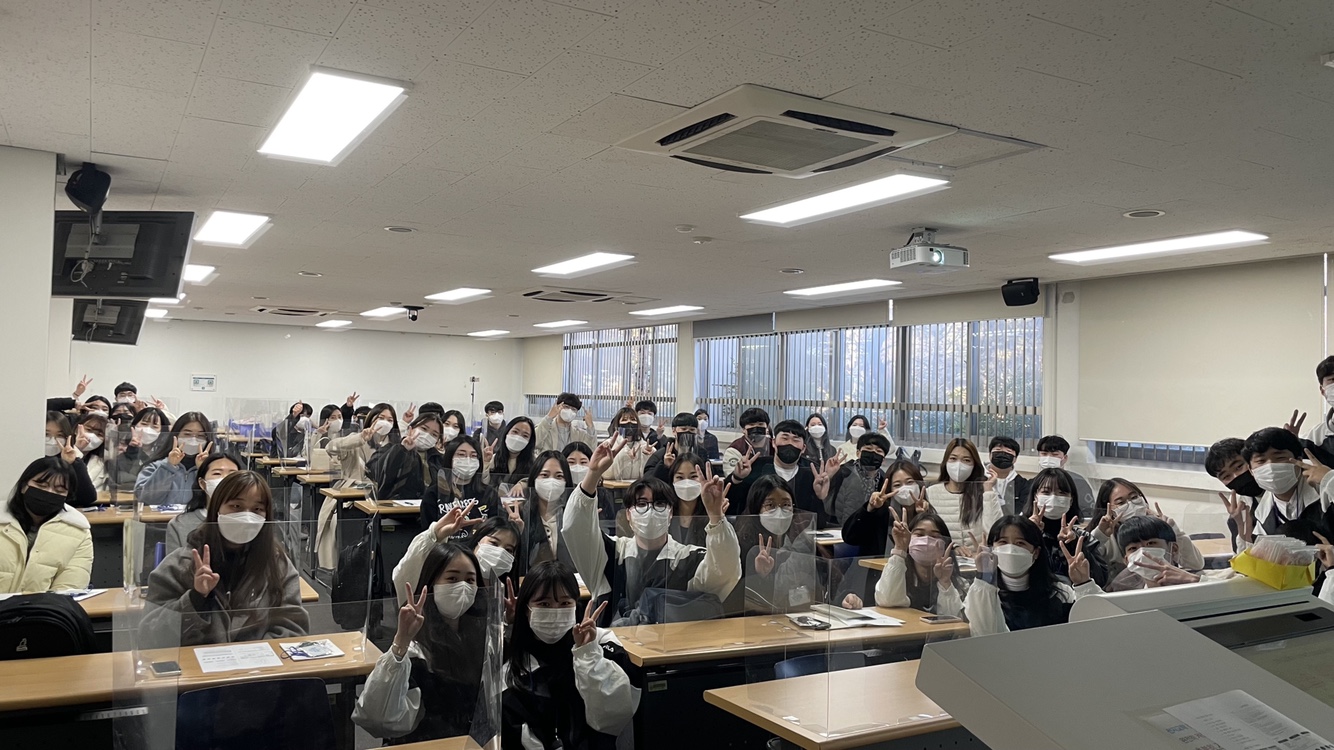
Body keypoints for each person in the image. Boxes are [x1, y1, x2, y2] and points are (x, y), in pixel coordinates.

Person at [562, 439, 740, 626]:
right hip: (611, 642)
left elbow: (724, 571)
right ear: (628, 515)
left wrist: (716, 516)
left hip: (668, 642)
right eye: (641, 504)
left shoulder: (688, 558)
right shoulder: (610, 553)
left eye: (659, 504)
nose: (650, 510)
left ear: (670, 514)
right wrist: (593, 474)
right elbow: (575, 527)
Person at [141, 471, 309, 646]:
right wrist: (195, 598)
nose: (247, 516)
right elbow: (149, 635)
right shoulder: (181, 564)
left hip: (257, 661)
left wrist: (255, 656)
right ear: (216, 509)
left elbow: (293, 627)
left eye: (257, 509)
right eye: (236, 506)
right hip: (197, 662)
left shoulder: (277, 564)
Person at [355, 542, 493, 744]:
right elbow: (378, 719)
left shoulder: (482, 636)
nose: (463, 587)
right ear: (431, 583)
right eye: (452, 579)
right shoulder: (417, 648)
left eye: (470, 580)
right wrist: (401, 642)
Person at [501, 561, 640, 749]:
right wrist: (510, 627)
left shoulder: (601, 641)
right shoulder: (516, 662)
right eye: (544, 604)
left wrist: (588, 653)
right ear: (526, 609)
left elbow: (616, 715)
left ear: (576, 605)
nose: (555, 611)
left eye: (565, 603)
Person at [963, 515, 1101, 636]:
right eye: (1003, 542)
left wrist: (1084, 584)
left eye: (1020, 543)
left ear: (1035, 552)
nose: (1011, 549)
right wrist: (985, 578)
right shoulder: (984, 594)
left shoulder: (1059, 593)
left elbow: (1094, 628)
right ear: (991, 549)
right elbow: (983, 636)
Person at [735, 475, 836, 612]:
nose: (779, 512)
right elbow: (744, 600)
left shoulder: (800, 540)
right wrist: (760, 575)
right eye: (770, 505)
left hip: (801, 613)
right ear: (757, 507)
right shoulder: (744, 544)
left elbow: (820, 588)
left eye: (786, 505)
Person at [0, 457, 92, 593]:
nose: (49, 492)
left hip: (43, 606)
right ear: (24, 486)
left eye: (59, 491)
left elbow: (69, 589)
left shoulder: (79, 532)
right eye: (41, 486)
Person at [726, 420, 841, 529]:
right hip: (757, 533)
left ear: (803, 448)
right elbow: (731, 507)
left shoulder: (813, 474)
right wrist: (737, 478)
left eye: (796, 440)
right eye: (785, 438)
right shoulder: (754, 468)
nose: (790, 443)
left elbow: (818, 523)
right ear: (774, 443)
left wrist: (820, 497)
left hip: (799, 538)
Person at [858, 511, 967, 616]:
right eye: (919, 534)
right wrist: (900, 549)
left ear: (945, 544)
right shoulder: (899, 575)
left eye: (934, 536)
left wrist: (945, 582)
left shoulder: (959, 584)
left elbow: (954, 620)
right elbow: (887, 601)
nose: (926, 540)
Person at [1089, 477, 1205, 569]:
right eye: (1121, 503)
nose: (1131, 504)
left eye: (1134, 497)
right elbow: (1085, 563)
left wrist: (1173, 530)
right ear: (1110, 509)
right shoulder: (1106, 537)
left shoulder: (1158, 525)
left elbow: (1196, 564)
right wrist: (1100, 535)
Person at [1243, 427, 1334, 542]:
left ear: (1299, 460)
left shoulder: (1325, 486)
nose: (1270, 466)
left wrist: (1329, 480)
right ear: (1251, 470)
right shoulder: (1264, 514)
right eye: (1261, 461)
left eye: (1280, 458)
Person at [1024, 468, 1111, 587]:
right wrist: (1030, 534)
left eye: (1062, 493)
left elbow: (1101, 579)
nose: (1053, 497)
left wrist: (1074, 544)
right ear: (1035, 496)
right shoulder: (1020, 532)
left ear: (1071, 500)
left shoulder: (1082, 536)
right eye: (1046, 492)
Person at [1106, 516, 1231, 591]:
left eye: (1151, 543)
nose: (1143, 552)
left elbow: (1229, 593)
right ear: (1126, 560)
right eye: (1133, 548)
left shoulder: (1195, 581)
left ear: (1174, 549)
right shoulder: (1123, 591)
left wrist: (1194, 580)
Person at [839, 458, 930, 556]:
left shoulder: (928, 513)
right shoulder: (880, 514)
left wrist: (922, 517)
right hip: (881, 564)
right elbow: (850, 537)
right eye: (897, 485)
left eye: (909, 482)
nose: (904, 488)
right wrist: (870, 508)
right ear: (890, 489)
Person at [927, 438, 1003, 549]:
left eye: (966, 460)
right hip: (945, 556)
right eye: (953, 459)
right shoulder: (931, 493)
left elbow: (995, 531)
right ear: (946, 462)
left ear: (974, 465)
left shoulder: (984, 492)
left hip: (979, 556)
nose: (959, 465)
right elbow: (929, 536)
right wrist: (953, 548)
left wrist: (988, 490)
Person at [421, 435, 501, 539]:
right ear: (450, 458)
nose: (468, 460)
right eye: (461, 455)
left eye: (473, 456)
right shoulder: (433, 493)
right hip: (444, 547)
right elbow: (428, 534)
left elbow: (495, 529)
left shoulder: (489, 493)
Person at [165, 451, 242, 551]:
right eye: (217, 473)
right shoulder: (180, 524)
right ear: (202, 483)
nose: (225, 479)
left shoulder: (248, 521)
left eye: (232, 475)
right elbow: (176, 561)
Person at [135, 412, 215, 506]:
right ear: (176, 435)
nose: (193, 440)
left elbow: (217, 501)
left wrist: (203, 470)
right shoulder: (156, 466)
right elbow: (146, 499)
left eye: (200, 436)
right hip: (163, 516)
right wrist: (169, 467)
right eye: (187, 434)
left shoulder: (216, 469)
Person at [516, 450, 575, 574]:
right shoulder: (521, 514)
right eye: (544, 475)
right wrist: (517, 532)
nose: (551, 481)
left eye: (559, 476)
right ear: (534, 478)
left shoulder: (571, 515)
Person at [1205, 437, 1263, 551]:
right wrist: (1240, 525)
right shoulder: (1240, 504)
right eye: (1226, 476)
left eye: (1239, 467)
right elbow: (1240, 556)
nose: (1236, 476)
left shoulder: (1280, 490)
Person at [823, 432, 892, 526]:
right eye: (868, 449)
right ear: (858, 453)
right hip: (838, 526)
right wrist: (829, 477)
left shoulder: (884, 479)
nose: (873, 453)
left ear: (883, 459)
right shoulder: (844, 472)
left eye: (878, 451)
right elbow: (828, 502)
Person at [375, 413, 446, 501]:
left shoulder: (438, 459)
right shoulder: (390, 448)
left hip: (427, 505)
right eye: (424, 429)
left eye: (434, 434)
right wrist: (403, 449)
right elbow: (381, 474)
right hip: (394, 505)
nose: (427, 435)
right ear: (411, 428)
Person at [327, 402, 400, 484]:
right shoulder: (356, 439)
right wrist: (360, 438)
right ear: (371, 418)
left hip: (383, 490)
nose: (385, 423)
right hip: (354, 488)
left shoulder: (395, 446)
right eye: (381, 418)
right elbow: (330, 448)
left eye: (390, 420)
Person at [1030, 435, 1095, 517]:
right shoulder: (1033, 482)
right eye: (1044, 454)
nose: (1048, 458)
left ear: (1065, 458)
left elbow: (1088, 512)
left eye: (1054, 454)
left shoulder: (1078, 482)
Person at [563, 442, 620, 531]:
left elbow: (610, 524)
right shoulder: (560, 492)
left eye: (583, 462)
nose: (577, 466)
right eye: (571, 462)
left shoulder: (602, 493)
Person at [45, 411, 97, 507]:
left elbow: (88, 497)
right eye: (46, 434)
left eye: (59, 435)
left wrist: (73, 463)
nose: (53, 440)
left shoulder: (71, 461)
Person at [643, 412, 702, 479]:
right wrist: (664, 466)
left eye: (692, 430)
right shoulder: (660, 455)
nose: (688, 432)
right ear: (674, 431)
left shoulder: (701, 453)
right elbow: (648, 479)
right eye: (684, 429)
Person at [602, 408, 654, 481]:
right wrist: (626, 456)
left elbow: (648, 474)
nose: (629, 422)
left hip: (637, 486)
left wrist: (647, 455)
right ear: (618, 424)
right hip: (614, 486)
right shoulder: (608, 444)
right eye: (624, 420)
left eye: (633, 419)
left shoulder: (644, 445)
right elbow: (606, 474)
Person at [986, 436, 1029, 515]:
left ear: (1015, 459)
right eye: (998, 450)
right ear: (989, 455)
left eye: (1008, 452)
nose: (1002, 454)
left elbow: (1019, 512)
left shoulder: (1023, 484)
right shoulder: (978, 477)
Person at [489, 416, 537, 487]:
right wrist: (485, 463)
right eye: (515, 432)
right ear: (507, 432)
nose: (518, 438)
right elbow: (485, 485)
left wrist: (523, 484)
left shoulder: (534, 462)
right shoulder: (494, 459)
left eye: (525, 435)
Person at [722, 407, 770, 477]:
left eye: (760, 424)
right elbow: (730, 478)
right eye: (751, 425)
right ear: (743, 430)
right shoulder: (734, 450)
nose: (756, 428)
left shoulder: (774, 445)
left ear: (767, 428)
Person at [75, 412, 110, 493]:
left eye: (99, 434)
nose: (92, 436)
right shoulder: (60, 453)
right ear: (77, 429)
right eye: (89, 430)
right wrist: (77, 449)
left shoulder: (103, 463)